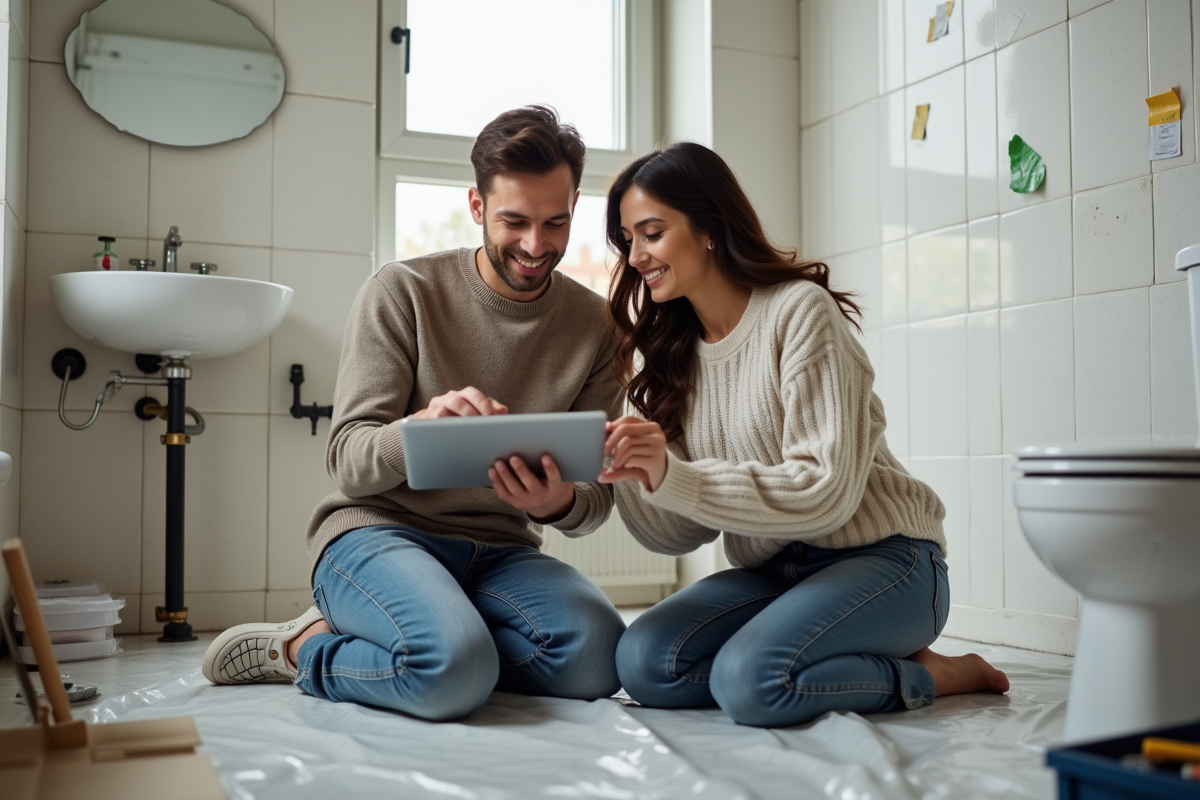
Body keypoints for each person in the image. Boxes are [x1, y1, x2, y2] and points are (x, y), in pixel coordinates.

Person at [202, 106, 627, 721]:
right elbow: (349, 463)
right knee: (452, 675)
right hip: (381, 531)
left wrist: (555, 501)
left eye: (555, 222)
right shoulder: (401, 291)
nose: (537, 246)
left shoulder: (597, 328)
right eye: (514, 220)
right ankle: (303, 649)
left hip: (503, 552)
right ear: (478, 207)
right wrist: (419, 432)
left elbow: (594, 502)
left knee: (598, 659)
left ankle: (445, 631)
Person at [598, 142, 1009, 728]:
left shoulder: (798, 312)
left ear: (709, 227)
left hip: (887, 557)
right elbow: (680, 532)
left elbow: (825, 492)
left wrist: (675, 473)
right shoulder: (672, 356)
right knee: (643, 663)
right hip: (775, 571)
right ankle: (823, 652)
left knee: (750, 681)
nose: (635, 255)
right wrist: (634, 476)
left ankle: (935, 673)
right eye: (628, 239)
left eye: (652, 233)